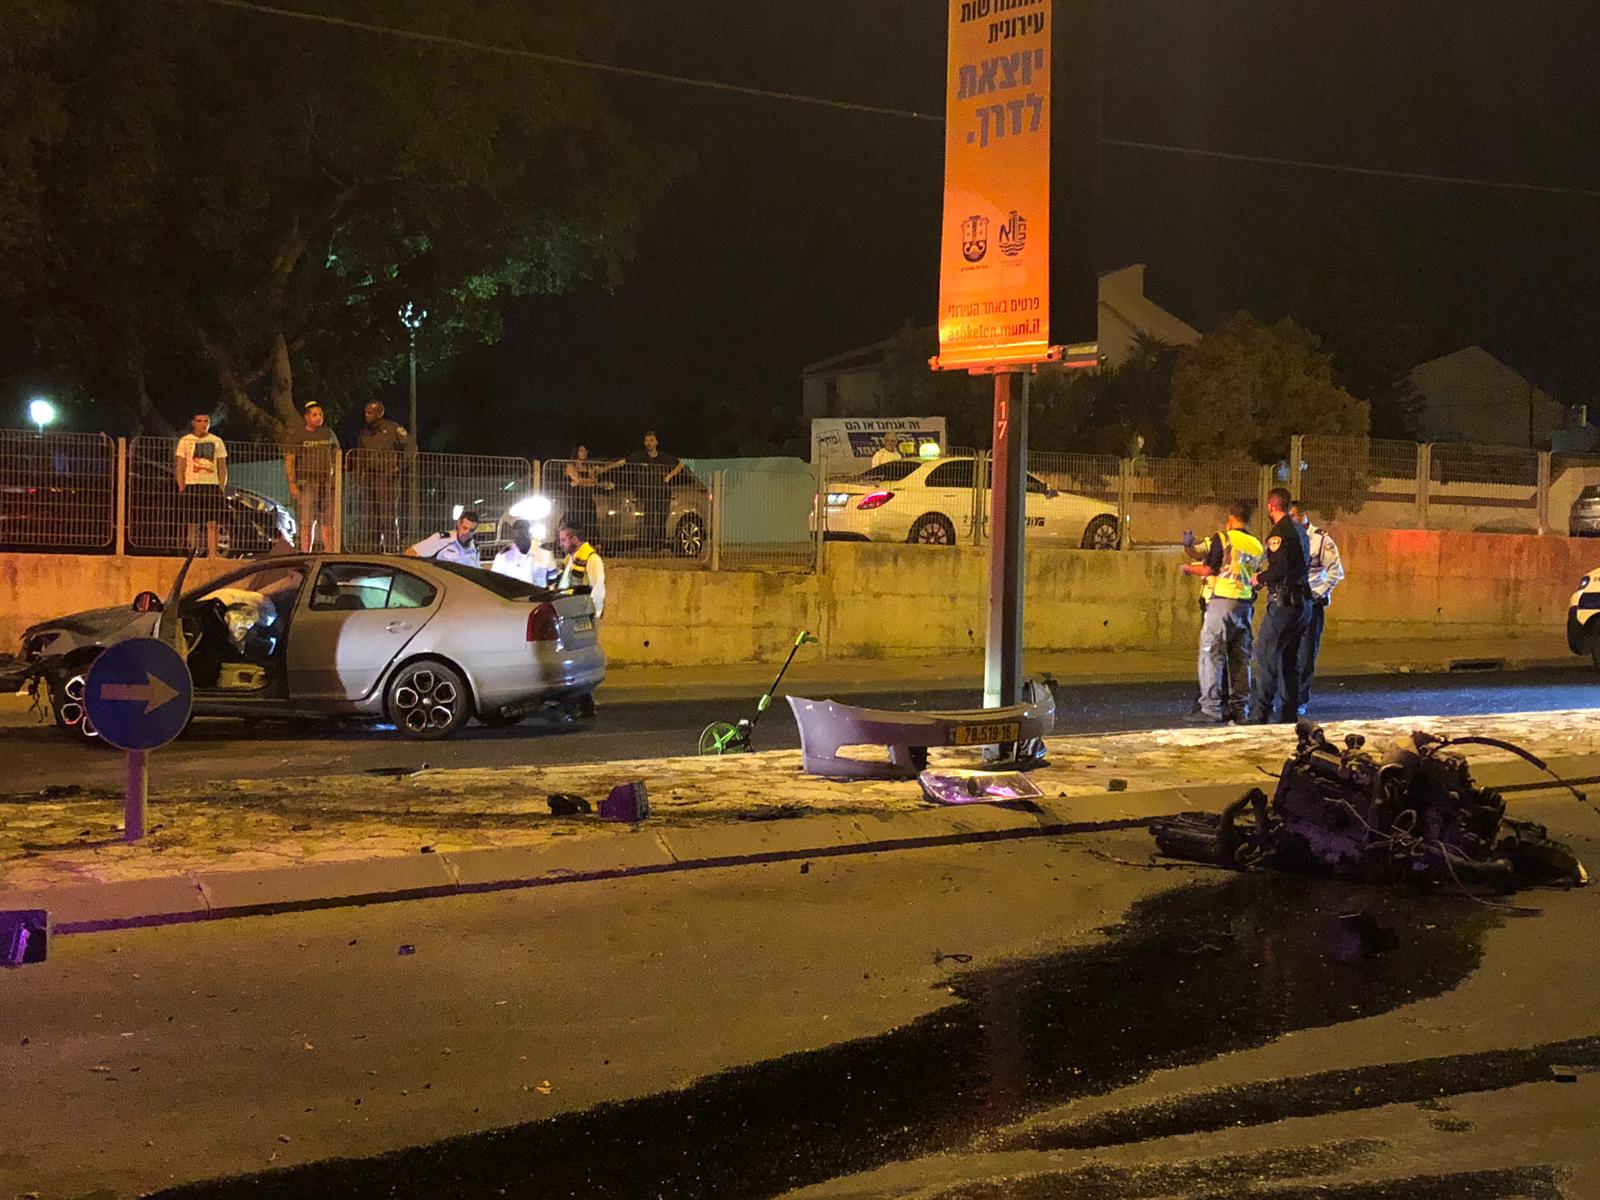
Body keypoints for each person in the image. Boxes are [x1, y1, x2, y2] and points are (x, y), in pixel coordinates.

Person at [1179, 500, 1263, 725]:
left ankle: (1211, 708)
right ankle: (1240, 709)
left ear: (1231, 518)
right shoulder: (1256, 544)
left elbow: (1209, 568)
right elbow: (1256, 575)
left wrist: (1187, 569)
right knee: (1240, 658)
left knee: (1211, 654)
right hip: (1245, 605)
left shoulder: (1224, 538)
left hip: (1221, 603)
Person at [1249, 487, 1313, 724]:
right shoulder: (1300, 530)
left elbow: (1280, 568)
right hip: (1302, 604)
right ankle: (1289, 712)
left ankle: (1261, 712)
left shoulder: (1279, 532)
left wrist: (1259, 578)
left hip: (1283, 604)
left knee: (1266, 655)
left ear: (1270, 506)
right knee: (1289, 658)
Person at [1289, 499, 1346, 717]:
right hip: (1290, 602)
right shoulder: (1286, 537)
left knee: (1305, 653)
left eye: (1294, 516)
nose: (1291, 520)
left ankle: (1300, 699)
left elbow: (1335, 572)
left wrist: (1317, 593)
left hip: (1311, 603)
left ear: (1304, 514)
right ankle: (1286, 697)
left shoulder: (1321, 539)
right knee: (1286, 652)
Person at [352, 400, 409, 551]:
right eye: (366, 412)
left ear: (380, 413)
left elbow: (410, 448)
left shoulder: (393, 428)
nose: (366, 415)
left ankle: (392, 550)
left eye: (370, 412)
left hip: (387, 479)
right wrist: (358, 478)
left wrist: (399, 466)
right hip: (369, 478)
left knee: (388, 517)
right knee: (371, 518)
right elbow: (359, 455)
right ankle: (373, 550)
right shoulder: (364, 432)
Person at [284, 401, 339, 552]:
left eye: (320, 414)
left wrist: (335, 478)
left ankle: (330, 553)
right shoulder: (298, 435)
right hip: (307, 483)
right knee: (307, 522)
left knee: (328, 522)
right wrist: (292, 483)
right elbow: (290, 460)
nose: (318, 417)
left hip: (327, 483)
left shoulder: (328, 433)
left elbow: (337, 455)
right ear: (307, 417)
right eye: (314, 415)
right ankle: (306, 553)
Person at [174, 411, 228, 558]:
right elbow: (180, 466)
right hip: (192, 484)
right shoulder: (185, 441)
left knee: (213, 521)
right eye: (199, 421)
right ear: (193, 423)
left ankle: (212, 554)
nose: (203, 424)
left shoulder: (217, 441)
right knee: (193, 521)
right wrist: (182, 486)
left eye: (206, 421)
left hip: (212, 485)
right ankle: (193, 552)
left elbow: (222, 467)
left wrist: (221, 486)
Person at [625, 431, 681, 553]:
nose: (649, 443)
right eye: (647, 440)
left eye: (651, 440)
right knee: (649, 520)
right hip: (649, 494)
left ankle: (659, 546)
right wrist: (606, 468)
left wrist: (669, 476)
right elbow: (624, 461)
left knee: (661, 520)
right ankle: (651, 545)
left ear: (656, 442)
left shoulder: (663, 456)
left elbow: (680, 465)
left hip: (663, 494)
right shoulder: (641, 456)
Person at [556, 520, 605, 618]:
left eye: (563, 540)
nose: (561, 544)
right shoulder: (568, 559)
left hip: (581, 614)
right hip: (568, 612)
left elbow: (598, 589)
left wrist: (593, 615)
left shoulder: (592, 558)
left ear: (574, 539)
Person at [491, 518, 557, 585]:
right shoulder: (503, 557)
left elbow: (553, 581)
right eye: (517, 537)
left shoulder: (545, 554)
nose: (520, 541)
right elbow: (495, 582)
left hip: (538, 591)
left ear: (530, 535)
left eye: (523, 535)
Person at [407, 511, 481, 567]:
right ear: (458, 524)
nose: (466, 532)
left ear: (475, 531)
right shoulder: (441, 540)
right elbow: (410, 552)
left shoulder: (474, 548)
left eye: (471, 530)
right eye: (464, 528)